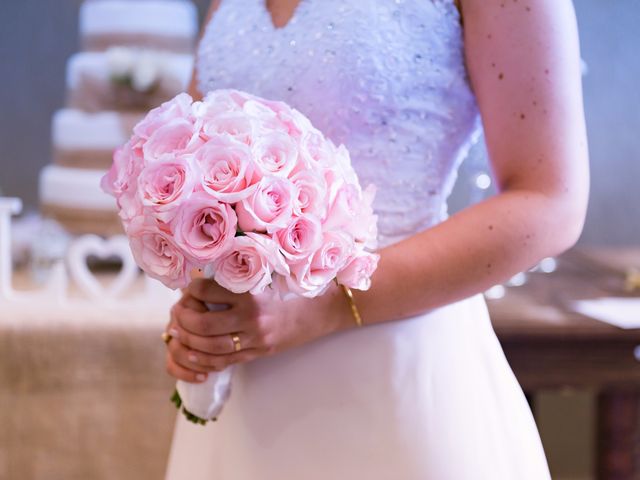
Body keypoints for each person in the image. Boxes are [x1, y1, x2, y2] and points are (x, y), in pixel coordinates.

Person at [164, 0, 589, 478]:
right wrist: (202, 300)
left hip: (398, 372)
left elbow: (552, 200)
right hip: (245, 388)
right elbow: (197, 158)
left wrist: (326, 305)